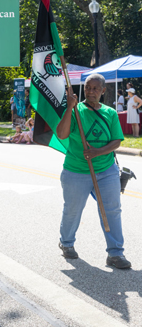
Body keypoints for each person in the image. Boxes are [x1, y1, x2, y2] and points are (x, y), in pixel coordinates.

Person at [56, 74, 131, 269]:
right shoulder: (75, 110)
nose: (91, 91)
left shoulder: (110, 113)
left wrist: (98, 152)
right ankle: (67, 243)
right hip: (76, 170)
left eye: (95, 88)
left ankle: (115, 253)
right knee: (73, 210)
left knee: (112, 211)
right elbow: (62, 134)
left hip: (106, 170)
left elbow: (116, 141)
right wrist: (68, 109)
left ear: (103, 91)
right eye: (88, 88)